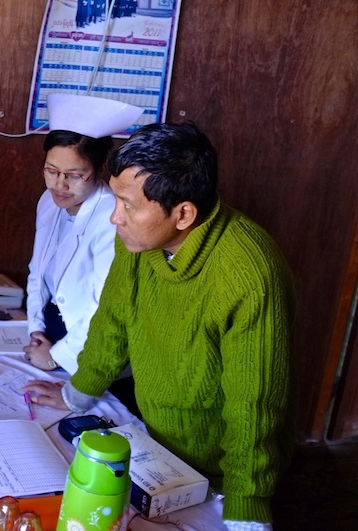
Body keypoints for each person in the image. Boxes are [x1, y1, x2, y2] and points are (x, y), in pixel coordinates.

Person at [24, 122, 296, 529]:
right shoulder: (137, 240)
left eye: (128, 205)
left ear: (183, 214)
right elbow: (111, 323)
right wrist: (76, 395)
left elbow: (254, 406)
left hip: (224, 470)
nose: (115, 217)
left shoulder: (250, 273)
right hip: (156, 445)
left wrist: (246, 508)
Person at [23, 129, 116, 375]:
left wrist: (57, 357)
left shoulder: (111, 217)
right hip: (48, 333)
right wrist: (36, 329)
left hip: (87, 343)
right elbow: (37, 271)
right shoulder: (49, 200)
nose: (59, 185)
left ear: (99, 170)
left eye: (75, 175)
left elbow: (103, 304)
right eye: (51, 171)